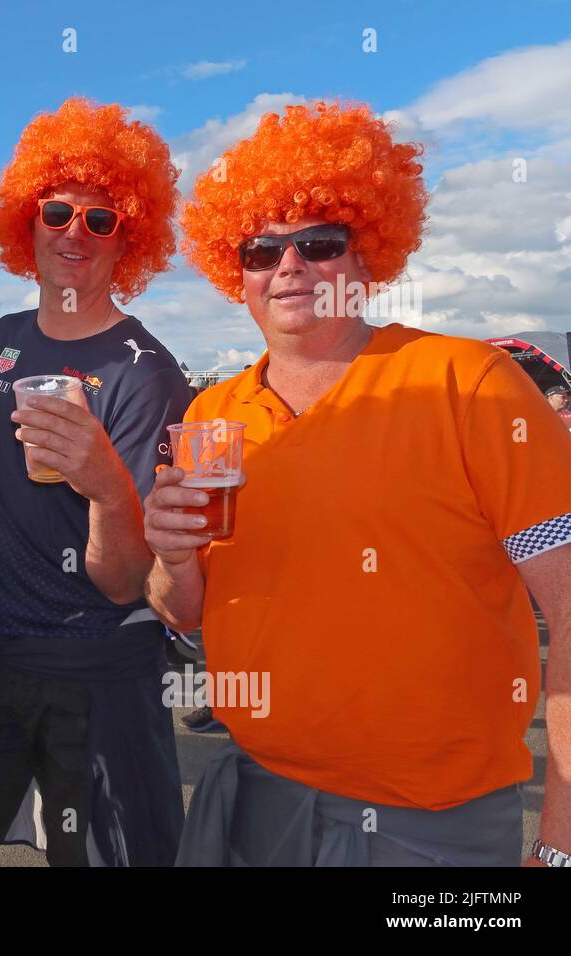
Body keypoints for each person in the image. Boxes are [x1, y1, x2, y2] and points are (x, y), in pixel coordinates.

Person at [151, 101, 571, 867]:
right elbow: (186, 612)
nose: (289, 266)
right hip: (256, 797)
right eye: (260, 248)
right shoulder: (214, 413)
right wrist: (171, 557)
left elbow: (570, 610)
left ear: (368, 253)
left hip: (430, 826)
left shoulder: (470, 383)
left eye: (319, 242)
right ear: (232, 270)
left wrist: (560, 846)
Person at [0, 98, 189, 868]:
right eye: (57, 212)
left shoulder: (146, 372)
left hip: (96, 664)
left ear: (130, 238)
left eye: (101, 221)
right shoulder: (0, 340)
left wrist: (103, 484)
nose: (74, 233)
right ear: (25, 224)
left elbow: (127, 581)